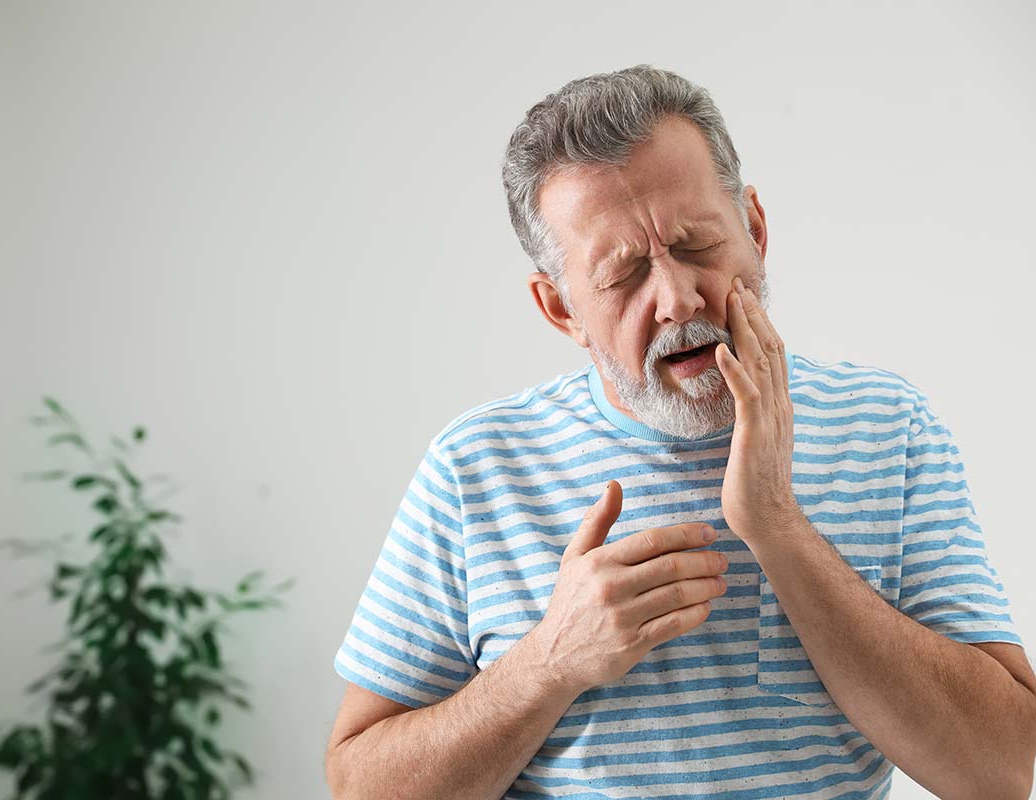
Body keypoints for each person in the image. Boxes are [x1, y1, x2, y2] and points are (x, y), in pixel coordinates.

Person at [325, 65, 1036, 800]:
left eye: (697, 246)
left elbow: (1002, 770)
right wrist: (548, 663)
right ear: (561, 309)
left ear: (755, 230)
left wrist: (777, 526)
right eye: (624, 274)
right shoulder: (475, 467)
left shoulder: (888, 427)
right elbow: (359, 786)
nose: (677, 298)